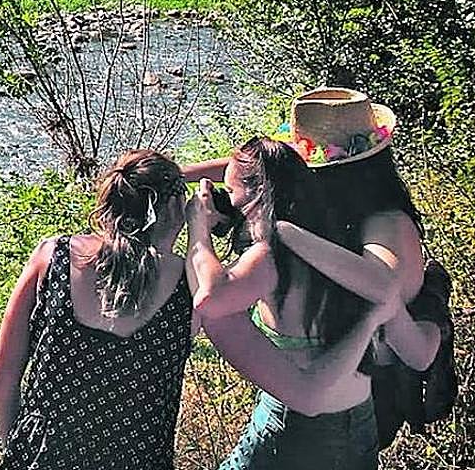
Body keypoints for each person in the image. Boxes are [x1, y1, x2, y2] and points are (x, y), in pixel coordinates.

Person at [0, 148, 393, 470]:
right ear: (173, 211)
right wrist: (208, 226)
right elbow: (271, 168)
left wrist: (19, 453)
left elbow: (2, 378)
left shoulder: (53, 257)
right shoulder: (189, 291)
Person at [186, 136, 386, 470]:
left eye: (230, 193)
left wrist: (198, 228)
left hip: (298, 430)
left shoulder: (269, 257)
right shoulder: (333, 234)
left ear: (256, 196)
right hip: (360, 423)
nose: (228, 204)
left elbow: (213, 297)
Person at [183, 88, 441, 377]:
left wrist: (281, 233)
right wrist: (179, 173)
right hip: (340, 379)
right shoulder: (342, 206)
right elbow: (262, 170)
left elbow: (386, 302)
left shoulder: (388, 226)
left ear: (333, 173)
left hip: (368, 386)